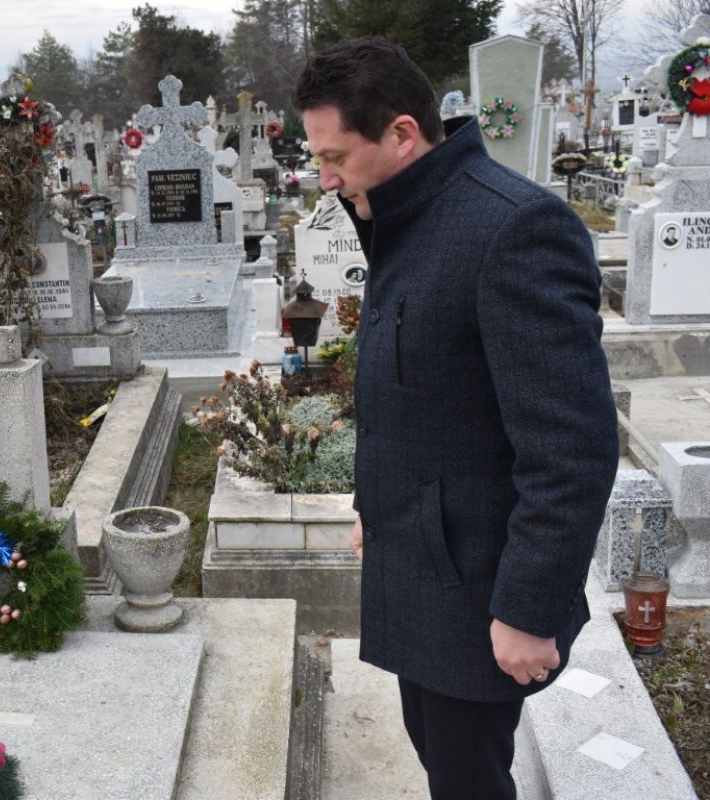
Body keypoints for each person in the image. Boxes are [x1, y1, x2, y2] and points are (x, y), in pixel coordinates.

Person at [294, 39, 618, 799]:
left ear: (403, 134)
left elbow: (571, 447)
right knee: (443, 762)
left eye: (336, 156)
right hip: (422, 566)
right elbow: (427, 396)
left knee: (468, 781)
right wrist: (378, 507)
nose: (326, 178)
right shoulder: (406, 215)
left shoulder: (511, 229)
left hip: (479, 589)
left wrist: (529, 611)